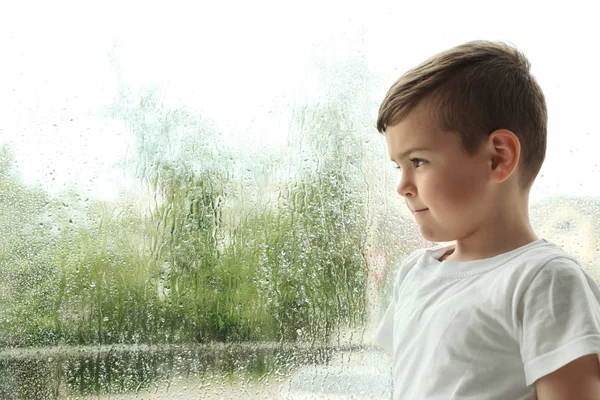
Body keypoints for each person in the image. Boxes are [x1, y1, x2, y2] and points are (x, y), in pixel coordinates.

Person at [374, 41, 600, 399]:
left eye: (417, 161)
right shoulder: (414, 274)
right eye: (397, 166)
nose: (402, 186)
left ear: (498, 158)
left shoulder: (546, 281)